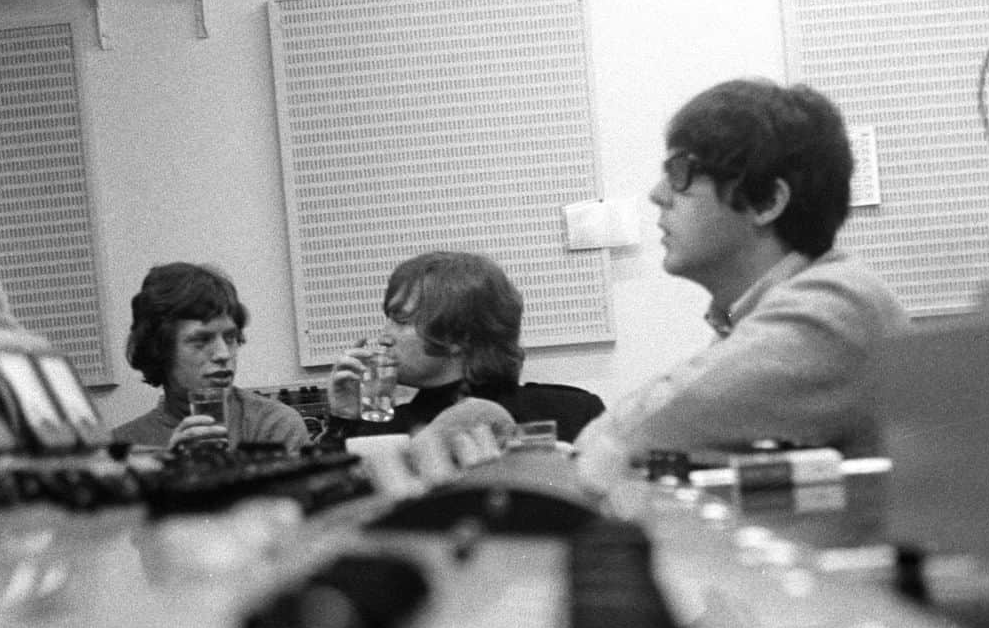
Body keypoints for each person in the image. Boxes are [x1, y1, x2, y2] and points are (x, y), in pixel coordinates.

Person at [572, 77, 911, 490]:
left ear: (766, 201)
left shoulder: (833, 308)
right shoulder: (769, 310)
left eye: (680, 172)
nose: (657, 194)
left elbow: (614, 440)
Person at [315, 250, 605, 448]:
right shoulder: (381, 431)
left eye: (401, 321)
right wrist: (344, 420)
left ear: (459, 336)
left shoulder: (573, 412)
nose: (385, 336)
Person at [112, 262, 311, 453]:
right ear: (160, 350)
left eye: (230, 337)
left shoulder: (274, 425)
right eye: (202, 340)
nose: (223, 354)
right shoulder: (122, 448)